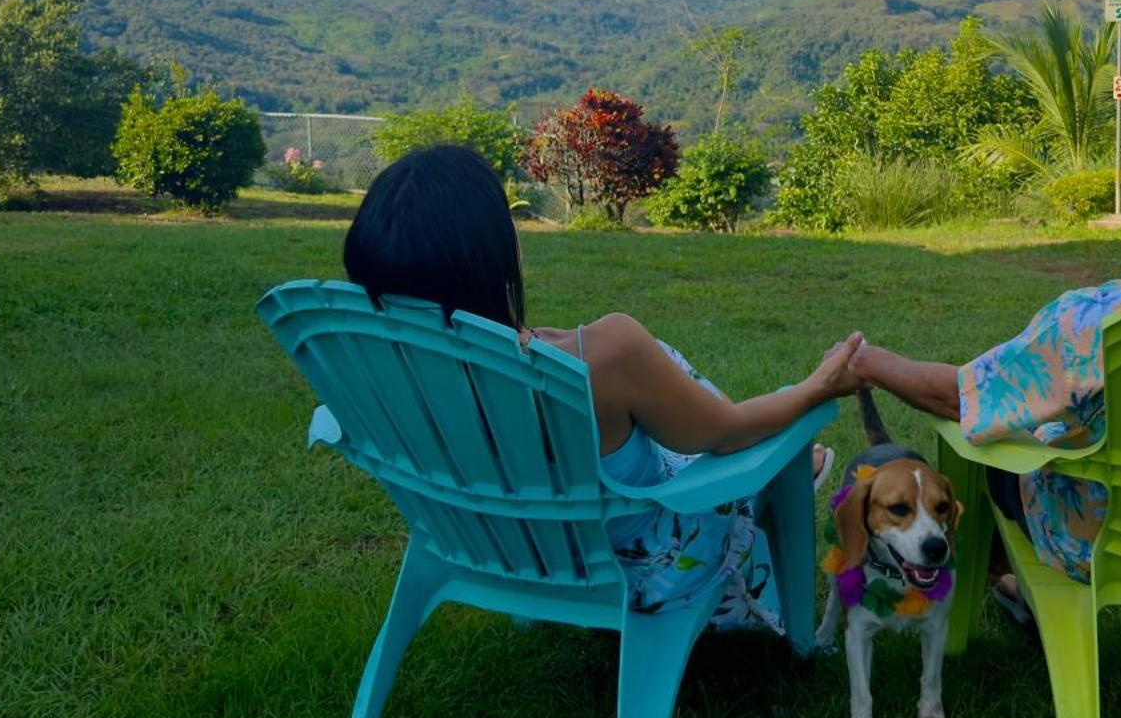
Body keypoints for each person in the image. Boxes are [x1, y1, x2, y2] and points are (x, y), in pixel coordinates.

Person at [342, 143, 857, 632]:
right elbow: (728, 435)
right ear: (492, 252)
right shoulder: (606, 353)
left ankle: (786, 462)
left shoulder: (388, 371)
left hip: (496, 553)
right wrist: (817, 387)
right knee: (734, 438)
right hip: (642, 573)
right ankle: (789, 472)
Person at [847, 79, 1121, 605]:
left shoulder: (1095, 321)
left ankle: (1011, 583)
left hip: (1100, 543)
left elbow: (962, 396)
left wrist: (868, 361)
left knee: (992, 450)